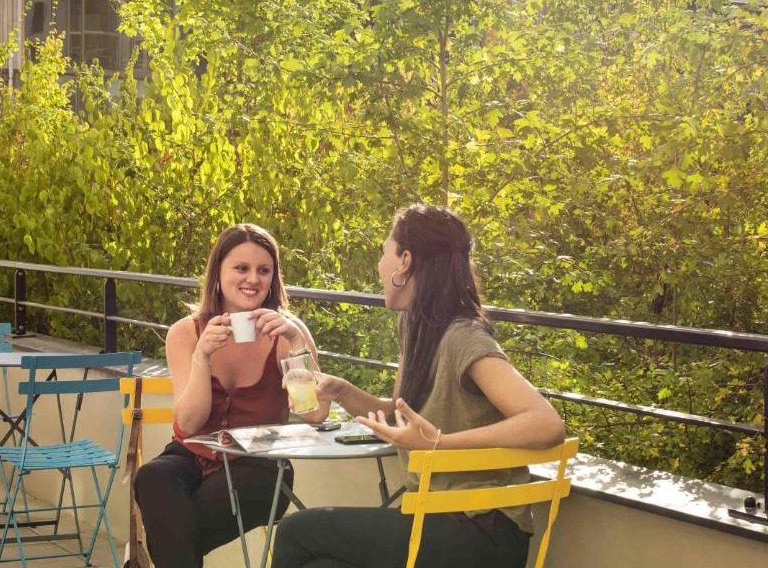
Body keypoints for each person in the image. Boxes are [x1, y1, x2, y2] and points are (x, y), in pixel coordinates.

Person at [272, 204, 566, 568]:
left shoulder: (463, 337)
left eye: (383, 252)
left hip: (483, 531)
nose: (379, 265)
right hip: (439, 521)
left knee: (296, 533)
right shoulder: (416, 328)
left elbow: (547, 423)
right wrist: (343, 391)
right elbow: (401, 416)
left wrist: (438, 444)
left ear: (405, 261)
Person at [133, 223, 325, 568]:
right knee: (152, 477)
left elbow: (313, 413)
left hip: (258, 465)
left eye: (263, 270)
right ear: (218, 273)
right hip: (191, 453)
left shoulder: (287, 333)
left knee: (174, 526)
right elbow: (189, 423)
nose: (253, 279)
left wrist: (297, 346)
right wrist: (201, 356)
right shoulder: (186, 332)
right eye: (241, 268)